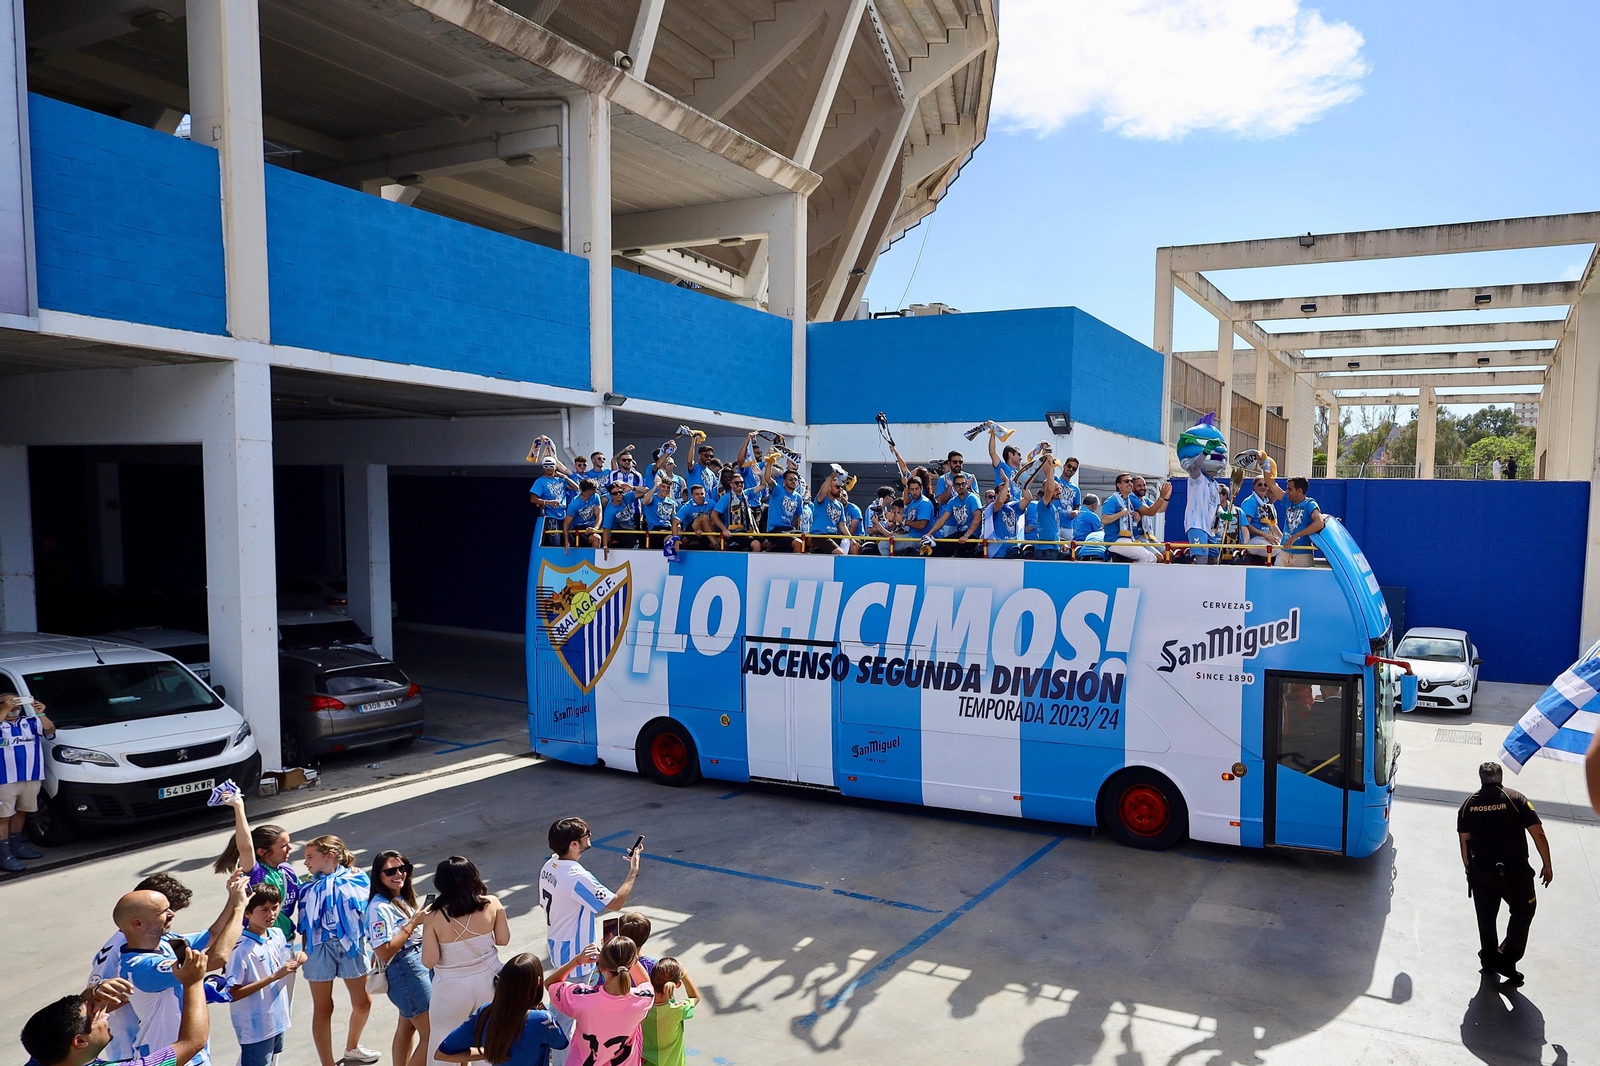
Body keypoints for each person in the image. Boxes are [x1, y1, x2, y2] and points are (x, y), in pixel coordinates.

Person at [113, 872, 248, 1065]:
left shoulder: (167, 941)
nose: (172, 914)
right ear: (138, 924)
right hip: (168, 1059)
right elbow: (216, 958)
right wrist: (239, 907)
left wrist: (233, 897)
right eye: (163, 912)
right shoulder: (140, 967)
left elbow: (214, 934)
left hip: (192, 1056)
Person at [25, 949, 211, 1066]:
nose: (106, 1014)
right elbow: (192, 1043)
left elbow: (61, 1025)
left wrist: (93, 992)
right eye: (97, 1017)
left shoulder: (43, 1055)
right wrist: (193, 982)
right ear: (79, 1041)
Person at [1457, 761, 1553, 986]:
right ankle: (1507, 959)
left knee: (1486, 917)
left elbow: (1465, 842)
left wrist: (1469, 869)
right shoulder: (1516, 799)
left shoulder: (1468, 805)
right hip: (1515, 873)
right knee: (1524, 911)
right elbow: (1538, 833)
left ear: (1481, 778)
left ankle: (1489, 961)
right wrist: (1546, 864)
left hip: (1482, 872)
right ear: (1500, 778)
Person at [90, 874, 196, 1061]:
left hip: (146, 1040)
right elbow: (95, 1003)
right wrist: (140, 989)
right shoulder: (120, 946)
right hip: (128, 1046)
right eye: (166, 910)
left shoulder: (149, 939)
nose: (171, 916)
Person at [297, 835, 379, 1066]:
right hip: (319, 948)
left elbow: (369, 910)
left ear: (329, 856)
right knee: (324, 1007)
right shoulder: (307, 885)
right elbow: (304, 922)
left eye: (310, 857)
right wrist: (304, 952)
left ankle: (353, 1047)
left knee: (363, 1002)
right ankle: (327, 1063)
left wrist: (374, 945)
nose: (305, 862)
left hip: (351, 946)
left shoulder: (357, 878)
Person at [422, 856, 510, 1066]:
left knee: (442, 1044)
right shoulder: (493, 903)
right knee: (488, 1041)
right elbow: (503, 940)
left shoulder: (433, 916)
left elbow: (429, 961)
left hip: (451, 987)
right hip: (489, 980)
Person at [540, 820, 641, 985]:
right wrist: (633, 871)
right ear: (573, 844)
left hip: (557, 946)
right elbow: (615, 903)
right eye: (586, 834)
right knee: (572, 1007)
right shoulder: (577, 877)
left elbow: (543, 904)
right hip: (577, 956)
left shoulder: (549, 866)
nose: (590, 836)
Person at [223, 885, 307, 1066]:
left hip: (276, 1018)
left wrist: (300, 957)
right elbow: (232, 994)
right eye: (264, 910)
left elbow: (283, 964)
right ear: (247, 914)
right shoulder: (241, 950)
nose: (271, 914)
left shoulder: (276, 935)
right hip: (255, 1027)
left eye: (275, 908)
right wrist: (274, 977)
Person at [433, 954, 567, 1066]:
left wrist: (492, 1051)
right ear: (538, 982)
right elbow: (561, 1044)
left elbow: (442, 1054)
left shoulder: (484, 1012)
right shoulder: (543, 1020)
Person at [365, 851, 431, 1066]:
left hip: (414, 966)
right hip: (406, 970)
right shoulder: (379, 908)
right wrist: (414, 923)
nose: (399, 874)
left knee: (407, 1027)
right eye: (390, 871)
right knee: (431, 1035)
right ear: (378, 876)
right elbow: (384, 951)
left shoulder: (400, 898)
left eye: (403, 869)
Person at [545, 940, 654, 1066]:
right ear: (631, 964)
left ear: (601, 968)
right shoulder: (642, 999)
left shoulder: (581, 997)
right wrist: (628, 956)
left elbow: (551, 984)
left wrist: (577, 961)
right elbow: (645, 982)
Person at [215, 793, 300, 941]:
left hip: (286, 939)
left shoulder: (287, 870)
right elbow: (246, 848)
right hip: (261, 942)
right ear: (262, 851)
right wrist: (239, 807)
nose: (290, 848)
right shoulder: (256, 873)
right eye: (283, 846)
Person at [0, 691, 52, 870]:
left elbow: (50, 730)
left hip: (32, 776)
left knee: (22, 812)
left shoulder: (30, 722)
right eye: (7, 703)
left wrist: (41, 712)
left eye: (16, 702)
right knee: (3, 817)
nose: (13, 706)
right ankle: (4, 855)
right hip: (4, 779)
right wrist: (3, 710)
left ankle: (16, 847)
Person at [640, 959, 698, 1066]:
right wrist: (684, 974)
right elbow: (695, 997)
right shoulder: (679, 1009)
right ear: (678, 984)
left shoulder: (641, 1007)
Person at [1101, 474, 1158, 564]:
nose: (1130, 483)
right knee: (1147, 557)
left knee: (1153, 558)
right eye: (1127, 481)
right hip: (1115, 540)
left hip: (1128, 538)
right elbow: (1104, 520)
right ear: (1118, 485)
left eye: (1131, 481)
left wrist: (1138, 518)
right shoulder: (1112, 500)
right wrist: (1121, 513)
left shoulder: (1128, 501)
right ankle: (1136, 577)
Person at [930, 472, 981, 557]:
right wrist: (929, 533)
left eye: (963, 484)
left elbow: (977, 518)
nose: (961, 487)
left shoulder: (972, 498)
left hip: (972, 536)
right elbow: (942, 520)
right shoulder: (953, 501)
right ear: (954, 487)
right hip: (960, 534)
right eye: (958, 485)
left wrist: (966, 535)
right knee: (937, 547)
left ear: (966, 484)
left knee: (938, 547)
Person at [529, 459, 578, 546]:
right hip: (551, 517)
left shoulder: (560, 480)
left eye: (551, 466)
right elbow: (533, 499)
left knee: (572, 541)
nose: (549, 468)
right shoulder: (540, 481)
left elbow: (576, 488)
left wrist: (564, 477)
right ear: (543, 468)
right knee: (555, 542)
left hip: (564, 516)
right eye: (546, 466)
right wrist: (548, 502)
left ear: (555, 467)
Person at [1276, 477, 1324, 567]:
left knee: (1303, 581)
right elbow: (1271, 485)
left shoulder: (1310, 504)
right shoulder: (1288, 501)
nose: (1287, 491)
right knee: (1282, 581)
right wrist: (1265, 465)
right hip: (1285, 551)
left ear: (1299, 490)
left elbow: (1319, 523)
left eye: (1290, 489)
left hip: (1302, 553)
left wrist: (1296, 535)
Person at [1183, 461, 1224, 565]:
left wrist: (1222, 513)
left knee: (1214, 557)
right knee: (1202, 558)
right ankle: (1198, 580)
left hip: (1209, 528)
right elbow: (1194, 466)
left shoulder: (1215, 484)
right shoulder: (1197, 478)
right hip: (1196, 525)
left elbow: (1217, 506)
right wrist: (1205, 452)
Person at [759, 465, 805, 553]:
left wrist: (796, 530)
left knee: (808, 540)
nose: (793, 481)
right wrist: (769, 463)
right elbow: (768, 479)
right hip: (775, 529)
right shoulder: (778, 490)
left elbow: (796, 517)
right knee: (798, 544)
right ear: (784, 481)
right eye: (790, 479)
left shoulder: (798, 497)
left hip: (790, 530)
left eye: (795, 480)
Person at [1238, 477, 1280, 564]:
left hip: (1263, 539)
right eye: (1260, 484)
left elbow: (1272, 526)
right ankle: (1277, 575)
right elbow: (1246, 526)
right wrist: (1265, 535)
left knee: (1286, 548)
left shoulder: (1266, 503)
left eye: (1265, 485)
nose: (1263, 487)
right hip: (1251, 541)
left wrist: (1284, 539)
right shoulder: (1250, 501)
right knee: (1281, 550)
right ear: (1254, 486)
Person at [600, 482, 648, 553]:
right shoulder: (610, 510)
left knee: (645, 540)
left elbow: (646, 491)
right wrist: (605, 546)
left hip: (631, 528)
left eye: (620, 492)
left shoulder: (627, 497)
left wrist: (632, 488)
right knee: (633, 541)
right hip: (617, 532)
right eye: (615, 493)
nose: (619, 495)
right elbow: (606, 530)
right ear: (611, 495)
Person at [670, 484, 717, 550]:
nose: (700, 496)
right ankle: (716, 545)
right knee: (704, 518)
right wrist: (676, 539)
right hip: (690, 532)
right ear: (692, 495)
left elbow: (716, 519)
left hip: (706, 532)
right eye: (697, 494)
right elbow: (675, 522)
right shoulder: (687, 506)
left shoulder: (711, 503)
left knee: (724, 543)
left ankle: (717, 546)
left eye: (702, 494)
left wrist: (703, 529)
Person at [562, 481, 604, 550]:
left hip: (591, 526)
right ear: (589, 491)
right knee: (596, 539)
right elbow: (566, 524)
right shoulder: (574, 503)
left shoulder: (596, 497)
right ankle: (592, 559)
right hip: (578, 527)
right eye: (594, 489)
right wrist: (566, 541)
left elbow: (599, 514)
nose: (596, 491)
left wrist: (595, 528)